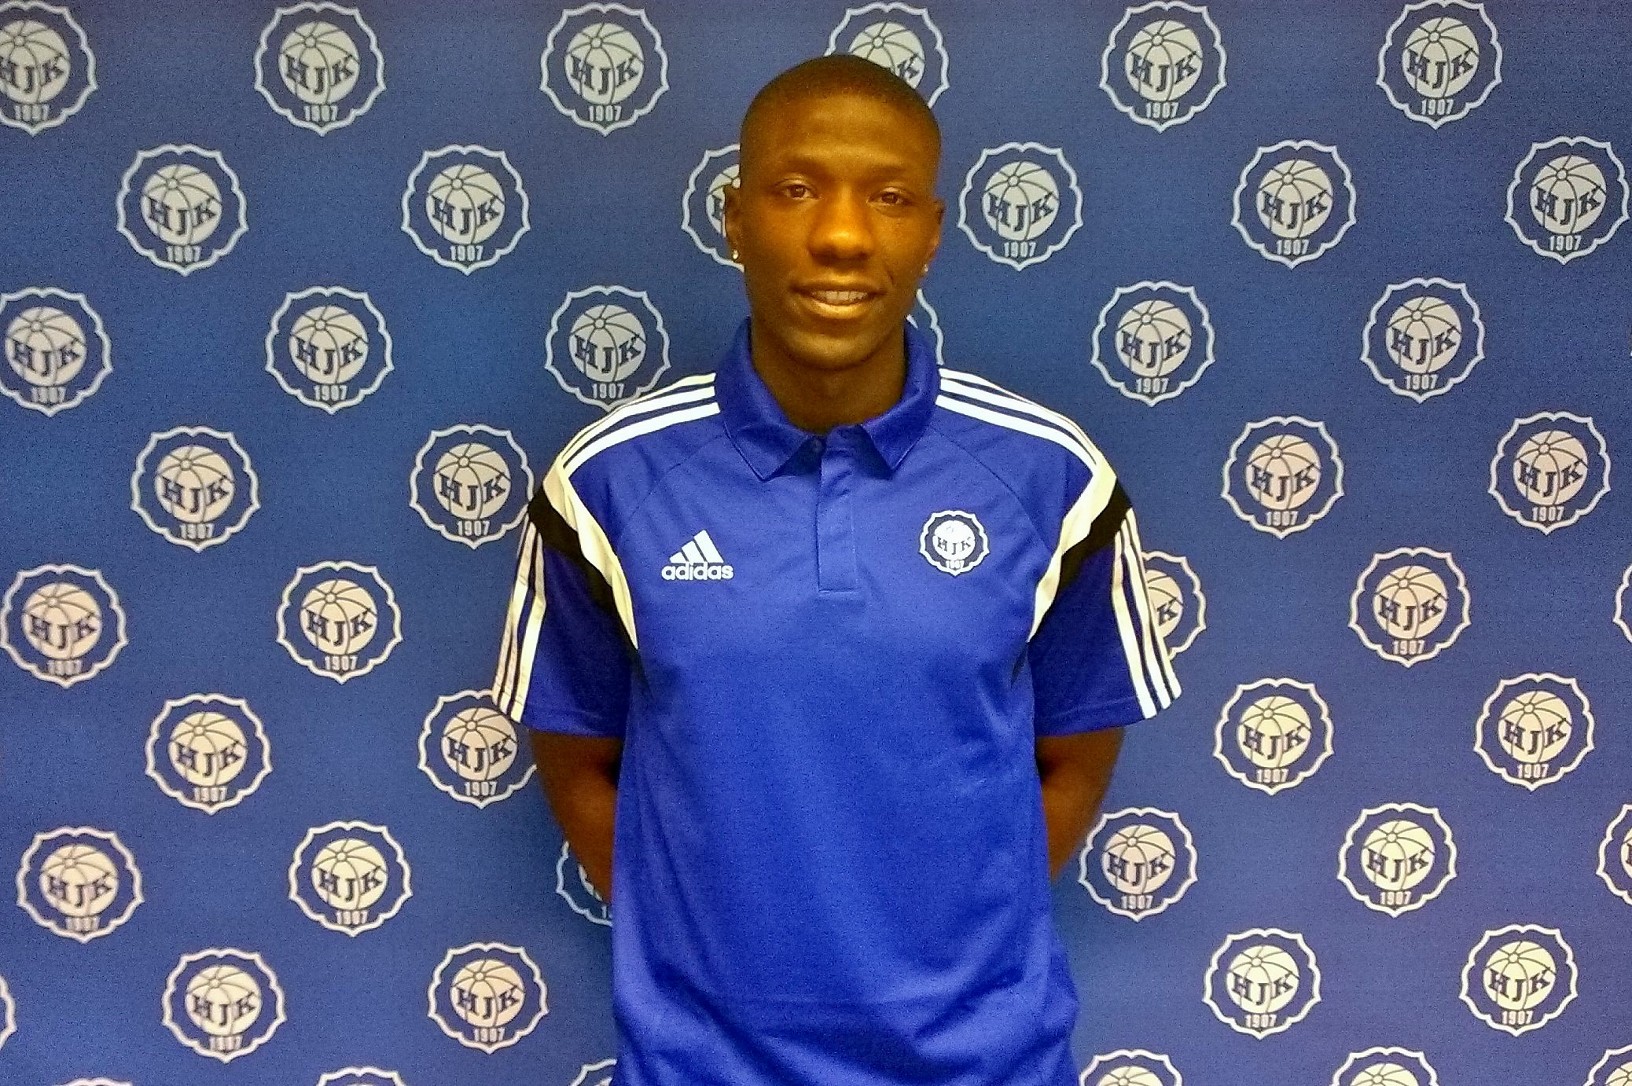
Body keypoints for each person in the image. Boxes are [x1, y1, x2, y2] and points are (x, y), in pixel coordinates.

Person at [493, 53, 1179, 1086]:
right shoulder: (606, 484)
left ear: (934, 233)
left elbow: (1074, 758)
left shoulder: (1053, 479)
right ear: (734, 217)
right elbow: (578, 760)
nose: (844, 235)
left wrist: (951, 956)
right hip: (702, 1068)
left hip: (984, 1064)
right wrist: (708, 962)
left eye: (890, 198)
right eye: (797, 189)